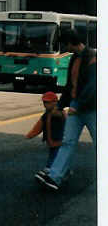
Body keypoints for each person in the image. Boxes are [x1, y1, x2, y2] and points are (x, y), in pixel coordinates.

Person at [36, 29, 97, 191]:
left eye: (66, 44)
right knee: (67, 142)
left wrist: (78, 106)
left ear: (72, 42)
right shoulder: (74, 58)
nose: (65, 47)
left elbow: (93, 86)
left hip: (93, 109)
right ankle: (55, 177)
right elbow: (70, 86)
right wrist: (61, 105)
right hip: (77, 107)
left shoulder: (92, 57)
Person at [25, 91, 65, 174]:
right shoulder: (46, 115)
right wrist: (30, 135)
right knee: (54, 155)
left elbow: (62, 116)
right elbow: (38, 127)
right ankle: (58, 169)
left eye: (47, 102)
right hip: (51, 141)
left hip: (59, 140)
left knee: (55, 156)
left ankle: (51, 169)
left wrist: (57, 111)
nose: (45, 104)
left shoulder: (58, 112)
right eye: (44, 102)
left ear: (55, 102)